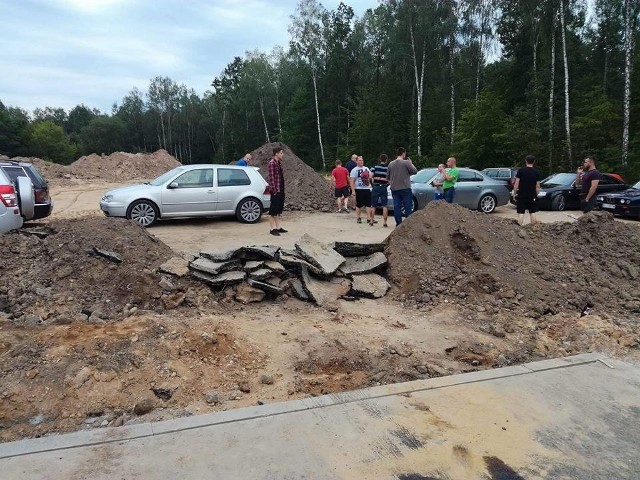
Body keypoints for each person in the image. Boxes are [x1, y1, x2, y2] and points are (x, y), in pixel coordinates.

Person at [387, 147, 417, 226]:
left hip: (394, 188)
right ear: (403, 153)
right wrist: (411, 163)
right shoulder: (406, 163)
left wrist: (392, 184)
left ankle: (398, 224)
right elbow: (415, 171)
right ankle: (408, 224)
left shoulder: (391, 164)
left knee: (397, 206)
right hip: (405, 188)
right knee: (408, 206)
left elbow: (388, 177)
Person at [512, 155, 541, 225]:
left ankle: (519, 228)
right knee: (532, 212)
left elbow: (516, 183)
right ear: (534, 162)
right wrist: (536, 194)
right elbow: (537, 186)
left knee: (521, 212)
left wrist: (514, 193)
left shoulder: (521, 171)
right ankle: (533, 228)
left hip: (522, 195)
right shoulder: (536, 172)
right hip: (532, 195)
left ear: (525, 161)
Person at [267, 147, 287, 236]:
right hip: (276, 190)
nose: (283, 154)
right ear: (276, 154)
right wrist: (275, 191)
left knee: (278, 210)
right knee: (273, 210)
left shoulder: (278, 163)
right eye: (281, 153)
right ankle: (272, 229)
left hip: (280, 189)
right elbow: (271, 179)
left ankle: (278, 227)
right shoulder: (272, 163)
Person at [349, 156, 372, 224]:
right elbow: (352, 181)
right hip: (359, 189)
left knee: (368, 204)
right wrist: (353, 190)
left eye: (362, 160)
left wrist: (367, 177)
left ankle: (368, 218)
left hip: (367, 188)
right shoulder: (354, 170)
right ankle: (358, 218)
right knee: (359, 204)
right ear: (356, 161)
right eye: (359, 160)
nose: (361, 161)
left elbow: (370, 177)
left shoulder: (366, 168)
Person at [370, 153, 389, 227]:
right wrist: (387, 184)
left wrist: (372, 184)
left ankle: (371, 221)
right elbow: (389, 178)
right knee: (384, 206)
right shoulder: (387, 168)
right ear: (386, 160)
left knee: (373, 205)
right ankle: (384, 222)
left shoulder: (375, 167)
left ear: (380, 159)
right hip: (384, 187)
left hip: (376, 187)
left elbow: (370, 176)